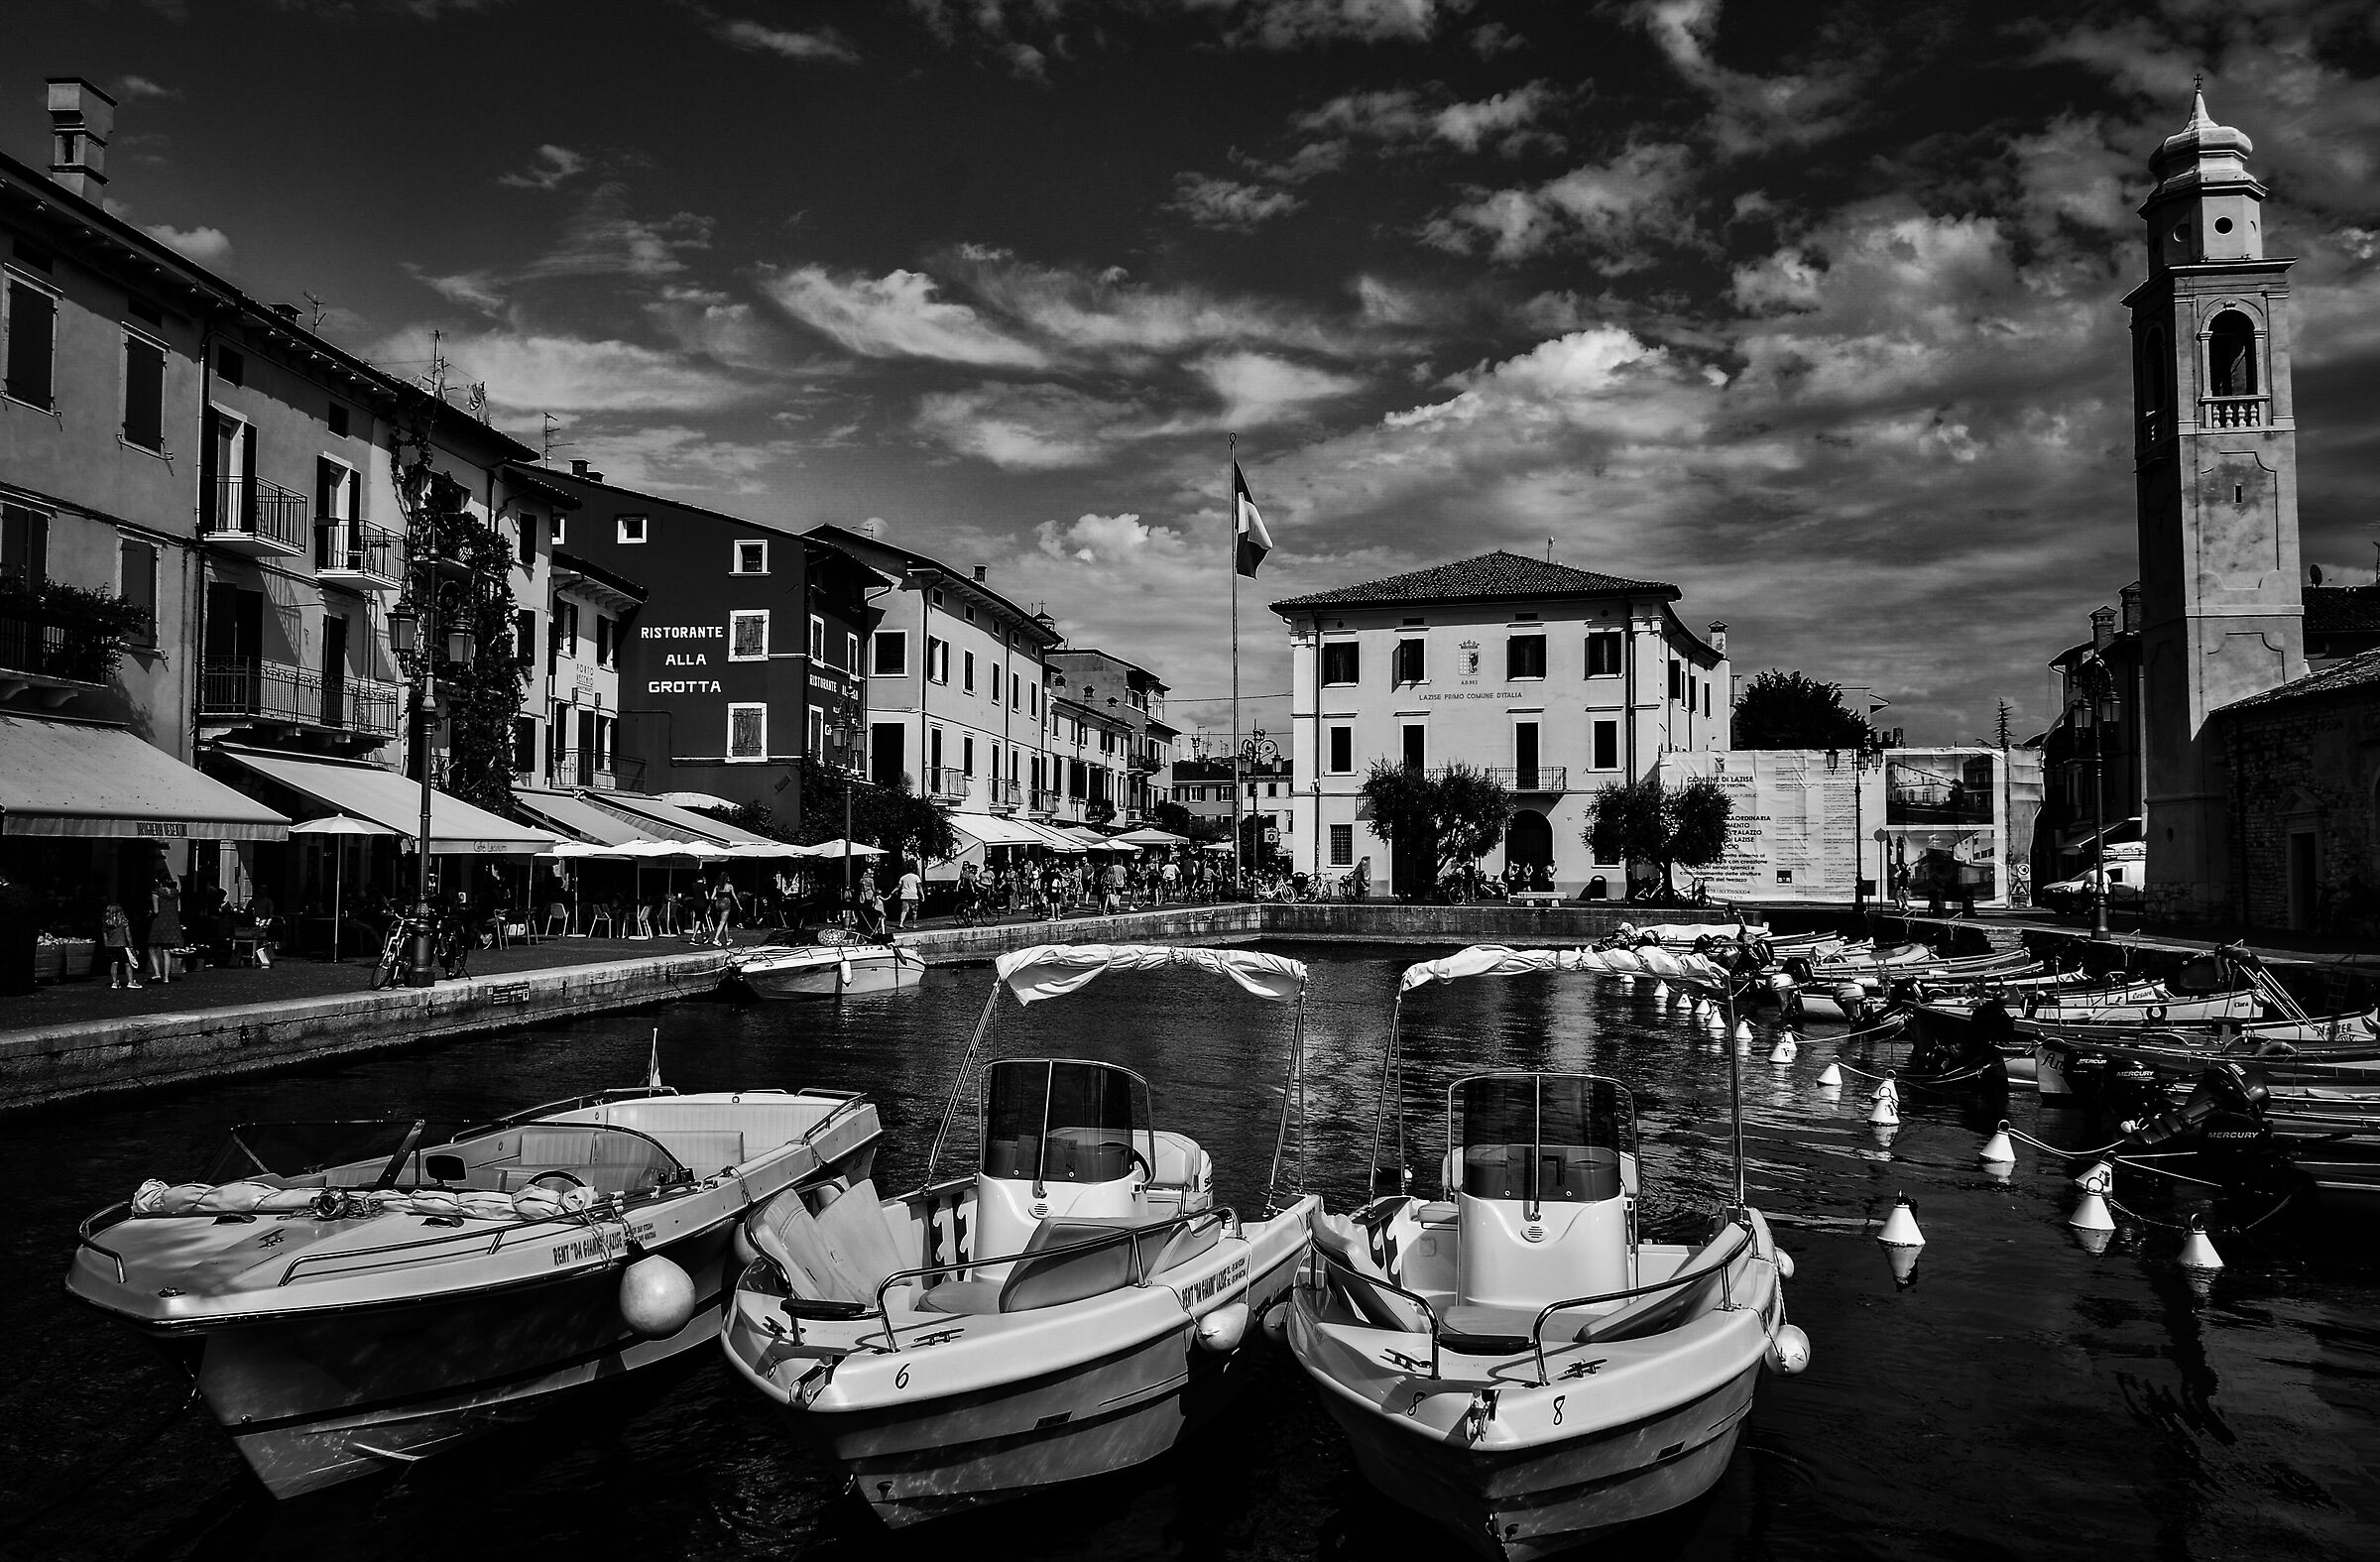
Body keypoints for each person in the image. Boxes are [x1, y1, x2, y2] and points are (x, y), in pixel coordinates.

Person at [145, 869, 182, 985]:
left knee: (152, 948)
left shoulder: (156, 893)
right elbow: (179, 909)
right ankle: (166, 977)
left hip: (159, 923)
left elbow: (156, 910)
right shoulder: (175, 893)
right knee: (166, 951)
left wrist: (149, 913)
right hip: (172, 923)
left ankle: (157, 973)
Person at [101, 901, 140, 989]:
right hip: (122, 945)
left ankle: (114, 982)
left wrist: (106, 945)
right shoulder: (123, 922)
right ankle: (130, 981)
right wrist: (131, 946)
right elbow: (128, 935)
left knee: (114, 963)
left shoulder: (106, 923)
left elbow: (105, 936)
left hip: (111, 946)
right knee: (127, 964)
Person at [894, 863, 923, 927]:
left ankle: (901, 923)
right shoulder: (916, 877)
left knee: (904, 910)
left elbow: (898, 886)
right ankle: (914, 924)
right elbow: (919, 887)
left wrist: (892, 892)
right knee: (914, 911)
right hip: (914, 896)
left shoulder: (903, 877)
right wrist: (922, 895)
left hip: (904, 896)